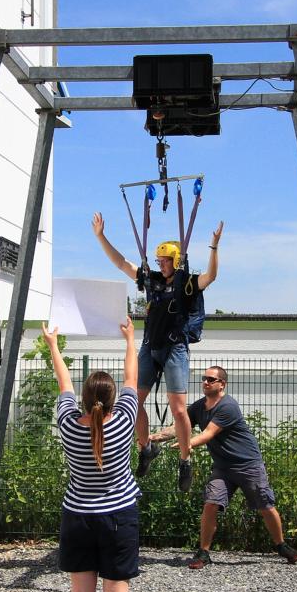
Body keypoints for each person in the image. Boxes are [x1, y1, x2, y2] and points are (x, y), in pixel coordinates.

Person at [92, 211, 222, 492]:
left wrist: (213, 247)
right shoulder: (151, 280)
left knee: (178, 409)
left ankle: (185, 461)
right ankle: (146, 448)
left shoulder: (187, 283)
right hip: (150, 347)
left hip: (175, 349)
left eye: (164, 261)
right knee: (133, 402)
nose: (160, 265)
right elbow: (121, 263)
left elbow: (211, 276)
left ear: (175, 261)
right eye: (158, 261)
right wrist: (101, 237)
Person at [42, 317, 139, 592]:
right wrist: (129, 340)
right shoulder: (125, 421)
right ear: (114, 400)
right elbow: (132, 377)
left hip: (78, 517)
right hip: (118, 516)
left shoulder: (68, 424)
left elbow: (63, 382)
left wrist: (53, 344)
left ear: (83, 399)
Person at [163, 365, 297, 570]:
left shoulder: (228, 406)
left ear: (222, 384)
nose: (205, 382)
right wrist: (152, 437)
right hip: (223, 468)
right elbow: (178, 427)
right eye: (204, 378)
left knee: (265, 505)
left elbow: (208, 434)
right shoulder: (199, 407)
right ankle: (204, 553)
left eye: (211, 379)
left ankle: (281, 545)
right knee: (211, 503)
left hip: (248, 465)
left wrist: (185, 444)